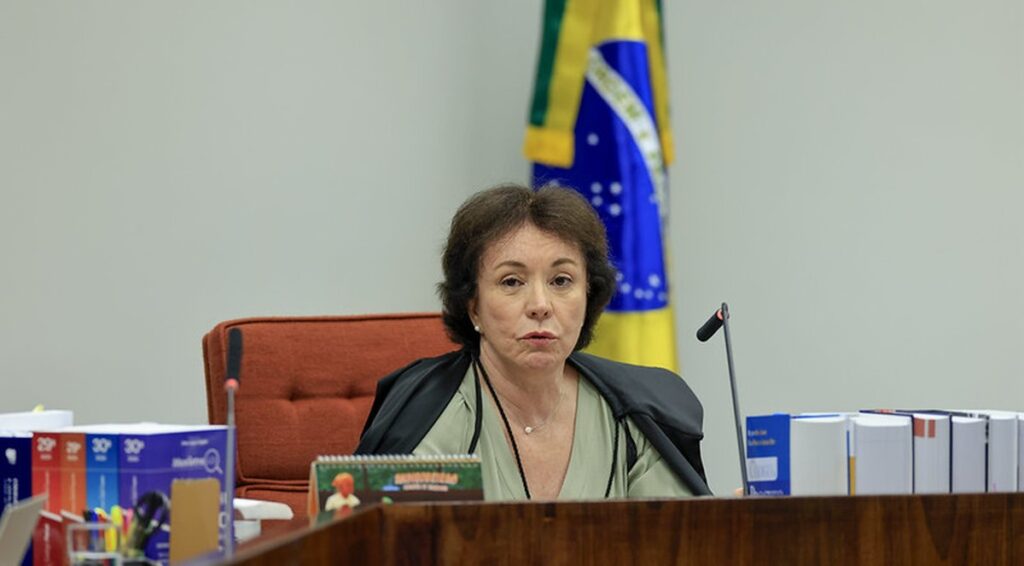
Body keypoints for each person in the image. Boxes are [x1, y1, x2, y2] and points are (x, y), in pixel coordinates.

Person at [356, 184, 711, 500]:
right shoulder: (432, 413)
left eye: (561, 281)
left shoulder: (638, 414)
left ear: (589, 295)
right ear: (473, 306)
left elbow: (679, 538)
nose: (540, 305)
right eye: (511, 281)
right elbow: (387, 539)